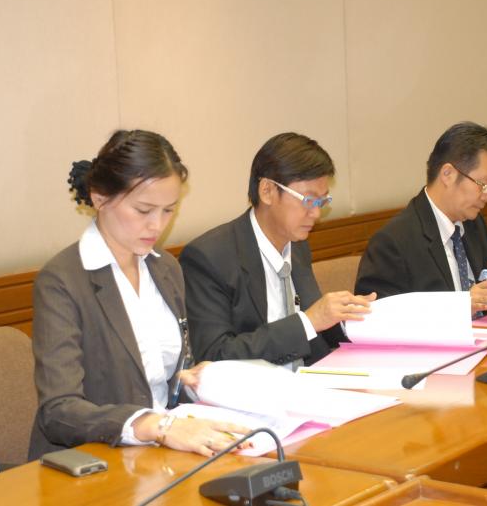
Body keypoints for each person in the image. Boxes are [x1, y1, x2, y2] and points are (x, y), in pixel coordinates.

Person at [29, 130, 249, 460]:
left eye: (168, 210)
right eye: (144, 210)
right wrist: (154, 425)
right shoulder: (63, 281)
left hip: (162, 454)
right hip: (94, 462)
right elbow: (59, 411)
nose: (157, 226)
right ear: (100, 198)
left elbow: (160, 381)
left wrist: (189, 381)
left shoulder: (166, 268)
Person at [179, 132, 375, 367]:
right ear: (267, 191)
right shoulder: (209, 258)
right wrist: (308, 321)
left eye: (322, 202)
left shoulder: (297, 244)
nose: (316, 213)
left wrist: (348, 317)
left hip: (311, 379)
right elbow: (216, 356)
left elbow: (315, 328)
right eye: (308, 200)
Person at [355, 122, 487, 315]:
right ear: (448, 174)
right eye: (483, 184)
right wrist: (457, 308)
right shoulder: (393, 243)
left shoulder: (474, 225)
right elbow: (378, 317)